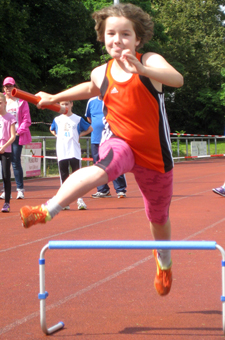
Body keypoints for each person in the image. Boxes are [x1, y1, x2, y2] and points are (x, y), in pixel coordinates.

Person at [20, 3, 183, 297]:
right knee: (100, 168)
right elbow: (89, 88)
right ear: (102, 36)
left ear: (138, 39)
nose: (117, 40)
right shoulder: (101, 72)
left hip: (155, 155)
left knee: (158, 216)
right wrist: (53, 97)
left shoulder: (151, 60)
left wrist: (144, 69)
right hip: (120, 142)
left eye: (125, 34)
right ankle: (48, 209)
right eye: (111, 33)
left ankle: (164, 261)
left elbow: (177, 79)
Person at [50, 100, 93, 210]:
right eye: (63, 104)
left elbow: (90, 128)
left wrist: (79, 135)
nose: (65, 106)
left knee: (76, 176)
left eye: (67, 104)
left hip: (74, 151)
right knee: (64, 176)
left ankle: (79, 200)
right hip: (62, 151)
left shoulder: (77, 119)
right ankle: (65, 202)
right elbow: (52, 129)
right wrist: (57, 136)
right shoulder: (57, 119)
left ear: (71, 104)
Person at [85, 95, 127, 198]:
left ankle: (120, 190)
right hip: (96, 139)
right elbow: (89, 118)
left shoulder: (113, 99)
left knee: (115, 162)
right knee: (98, 165)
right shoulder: (91, 101)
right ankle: (103, 190)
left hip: (111, 138)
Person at [1, 77, 31, 199]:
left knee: (15, 161)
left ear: (14, 87)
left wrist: (19, 132)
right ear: (3, 87)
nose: (8, 88)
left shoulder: (21, 101)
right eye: (6, 86)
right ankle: (6, 190)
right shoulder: (1, 99)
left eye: (10, 86)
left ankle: (20, 189)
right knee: (4, 163)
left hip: (16, 135)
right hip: (3, 136)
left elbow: (26, 119)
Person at [0, 93, 16, 212]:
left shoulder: (10, 117)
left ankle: (6, 203)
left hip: (6, 150)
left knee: (6, 176)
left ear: (5, 103)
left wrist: (4, 147)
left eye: (0, 102)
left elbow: (13, 137)